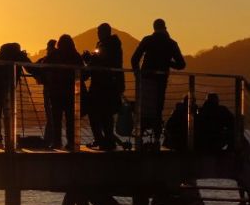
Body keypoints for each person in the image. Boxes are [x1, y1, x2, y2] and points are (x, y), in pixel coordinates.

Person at [131, 19, 186, 146]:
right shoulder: (171, 43)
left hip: (145, 80)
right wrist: (167, 62)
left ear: (154, 28)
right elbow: (181, 64)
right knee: (158, 109)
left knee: (143, 109)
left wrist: (137, 74)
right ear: (165, 28)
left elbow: (134, 59)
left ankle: (139, 137)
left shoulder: (147, 40)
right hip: (161, 81)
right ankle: (156, 139)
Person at [83, 23, 124, 151]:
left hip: (101, 87)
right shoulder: (115, 45)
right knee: (106, 116)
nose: (98, 34)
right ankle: (107, 140)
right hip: (110, 86)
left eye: (99, 32)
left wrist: (89, 59)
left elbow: (101, 62)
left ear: (104, 32)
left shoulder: (107, 46)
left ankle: (102, 140)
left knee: (96, 114)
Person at [44, 34, 83, 151]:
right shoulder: (75, 56)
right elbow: (83, 72)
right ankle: (71, 142)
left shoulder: (55, 55)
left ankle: (57, 142)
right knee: (70, 119)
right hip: (71, 93)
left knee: (56, 119)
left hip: (56, 92)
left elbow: (45, 65)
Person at [0, 43, 30, 149]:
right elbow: (30, 67)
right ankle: (10, 138)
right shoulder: (18, 55)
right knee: (10, 112)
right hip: (10, 86)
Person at [34, 40, 57, 147]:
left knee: (51, 116)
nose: (47, 50)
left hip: (50, 90)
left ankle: (50, 140)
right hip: (55, 90)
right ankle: (54, 140)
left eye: (48, 48)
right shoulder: (57, 58)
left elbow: (33, 68)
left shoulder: (47, 59)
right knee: (53, 117)